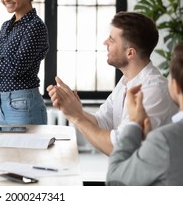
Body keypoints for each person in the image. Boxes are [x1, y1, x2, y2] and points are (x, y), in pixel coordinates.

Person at [47, 12, 177, 155]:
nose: (105, 43)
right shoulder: (126, 81)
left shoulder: (153, 90)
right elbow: (101, 122)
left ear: (130, 53)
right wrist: (73, 109)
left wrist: (76, 117)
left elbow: (119, 148)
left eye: (111, 40)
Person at [106, 42, 183, 185]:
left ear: (176, 87)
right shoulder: (123, 83)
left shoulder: (164, 140)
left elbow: (115, 180)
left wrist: (134, 124)